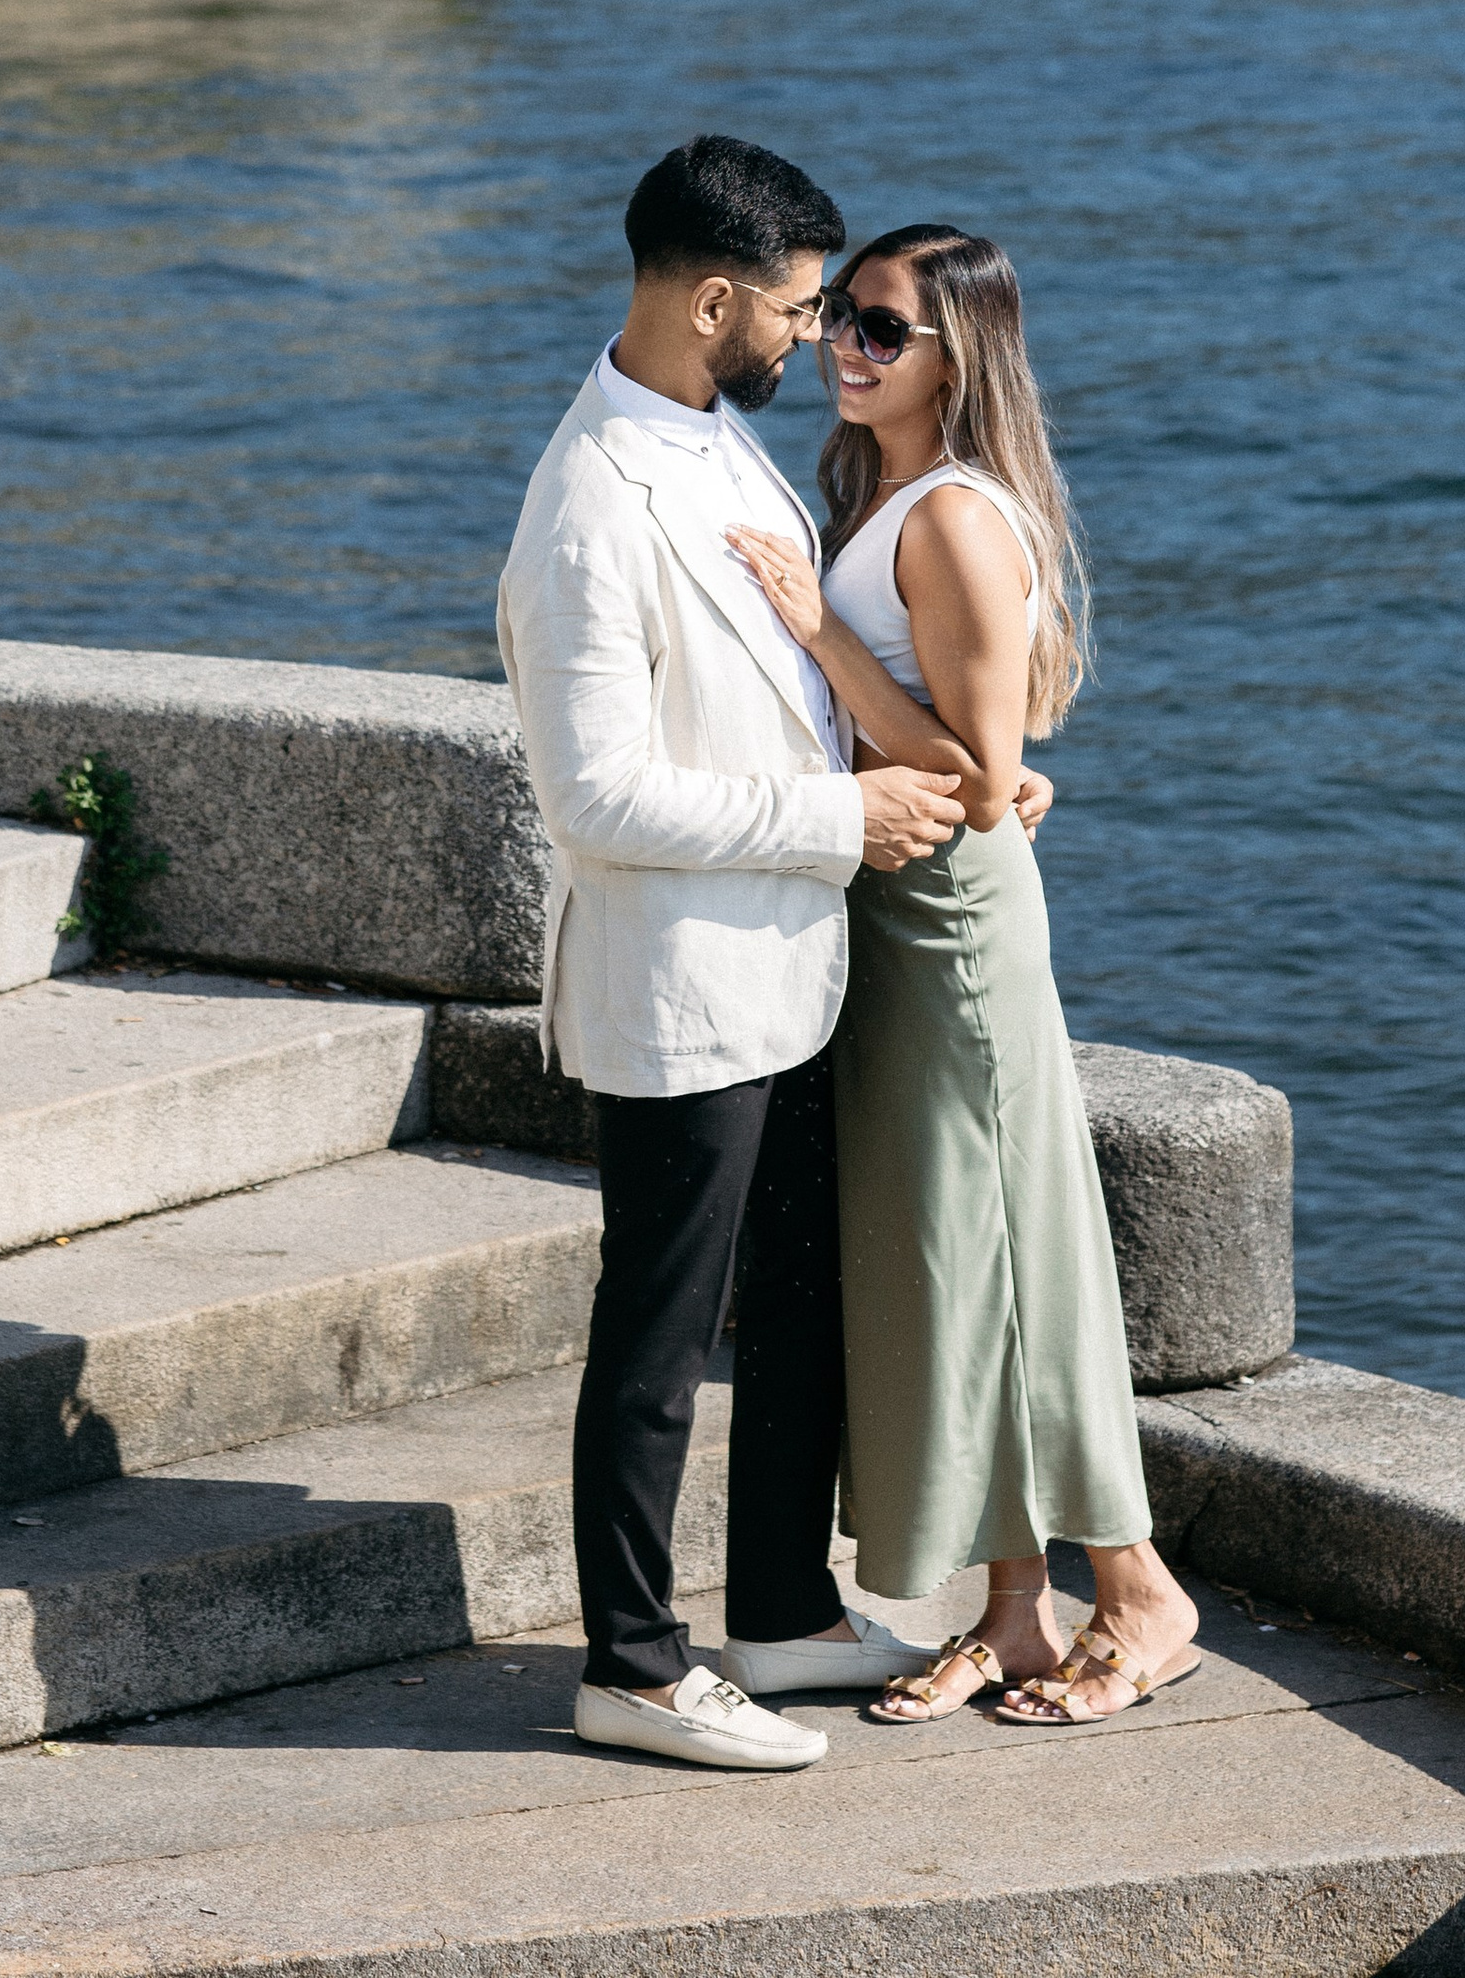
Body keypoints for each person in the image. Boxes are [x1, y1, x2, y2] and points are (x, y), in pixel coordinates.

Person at [498, 136, 974, 1774]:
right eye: (791, 307)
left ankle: (779, 1608)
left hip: (784, 968)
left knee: (794, 1309)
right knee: (656, 1335)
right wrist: (843, 819)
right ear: (711, 302)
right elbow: (598, 793)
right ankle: (630, 1666)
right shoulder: (587, 505)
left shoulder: (710, 437)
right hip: (683, 984)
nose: (813, 336)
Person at [726, 221, 1202, 1730]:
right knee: (949, 1259)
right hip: (892, 914)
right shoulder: (878, 492)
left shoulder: (954, 518)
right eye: (842, 323)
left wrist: (817, 634)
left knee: (1011, 1252)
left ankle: (1139, 1592)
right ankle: (1014, 1608)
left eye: (881, 330)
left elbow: (987, 782)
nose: (845, 351)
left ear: (960, 355)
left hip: (954, 927)